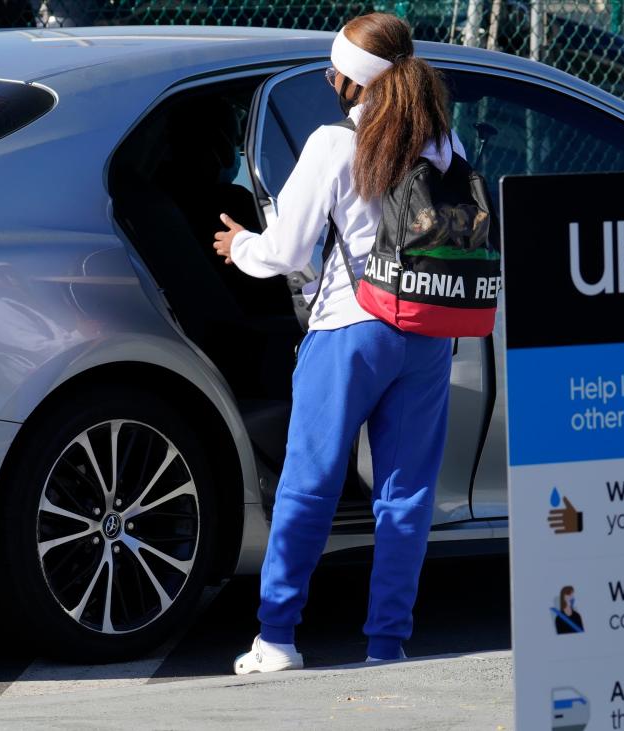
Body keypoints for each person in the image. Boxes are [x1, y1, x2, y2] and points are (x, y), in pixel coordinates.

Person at [213, 12, 466, 672]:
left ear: (352, 84)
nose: (330, 83)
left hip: (349, 330)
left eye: (333, 74)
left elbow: (288, 251)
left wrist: (239, 245)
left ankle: (277, 637)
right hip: (429, 335)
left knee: (310, 483)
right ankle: (387, 643)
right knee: (405, 494)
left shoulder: (333, 146)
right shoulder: (446, 144)